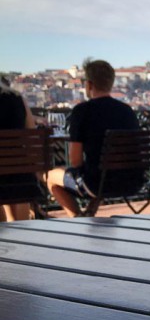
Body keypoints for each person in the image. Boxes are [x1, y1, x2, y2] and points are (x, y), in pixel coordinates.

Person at [46, 59, 139, 217]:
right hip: (131, 181)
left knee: (50, 177)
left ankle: (78, 219)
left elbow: (75, 161)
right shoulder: (127, 111)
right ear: (111, 83)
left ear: (89, 84)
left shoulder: (82, 112)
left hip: (96, 184)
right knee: (100, 172)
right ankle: (89, 214)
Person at [0, 77, 38, 221]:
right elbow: (32, 134)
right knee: (17, 179)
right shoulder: (16, 98)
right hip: (22, 177)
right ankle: (20, 231)